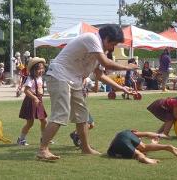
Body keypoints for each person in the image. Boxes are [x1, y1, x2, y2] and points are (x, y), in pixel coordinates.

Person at [37, 25, 138, 160]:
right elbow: (106, 63)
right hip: (59, 75)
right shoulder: (92, 38)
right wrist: (127, 67)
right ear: (106, 38)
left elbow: (99, 75)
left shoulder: (98, 51)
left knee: (82, 115)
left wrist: (121, 88)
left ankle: (85, 148)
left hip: (75, 80)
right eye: (113, 44)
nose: (112, 48)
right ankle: (43, 149)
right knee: (61, 113)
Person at [17, 57, 48, 146]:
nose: (41, 70)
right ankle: (21, 139)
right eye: (38, 69)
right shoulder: (30, 78)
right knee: (30, 123)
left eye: (42, 68)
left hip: (39, 101)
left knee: (44, 121)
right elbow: (26, 90)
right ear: (33, 70)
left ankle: (44, 138)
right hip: (31, 101)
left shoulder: (40, 78)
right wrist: (34, 98)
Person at [107, 129, 177, 164]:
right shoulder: (131, 134)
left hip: (119, 140)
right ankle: (166, 147)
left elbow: (146, 134)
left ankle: (166, 147)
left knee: (141, 151)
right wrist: (159, 135)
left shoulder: (124, 134)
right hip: (123, 139)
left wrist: (154, 142)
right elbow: (147, 134)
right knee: (142, 150)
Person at [70, 77, 96, 148]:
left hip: (83, 104)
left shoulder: (88, 80)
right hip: (76, 104)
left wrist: (97, 78)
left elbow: (95, 89)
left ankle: (75, 133)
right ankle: (84, 144)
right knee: (86, 125)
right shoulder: (74, 78)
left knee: (91, 125)